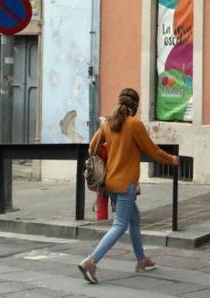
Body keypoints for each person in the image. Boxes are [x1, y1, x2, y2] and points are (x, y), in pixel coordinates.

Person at [77, 88, 179, 284]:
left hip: (110, 182)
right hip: (126, 184)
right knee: (119, 225)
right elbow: (152, 150)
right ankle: (91, 261)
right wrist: (171, 159)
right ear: (136, 106)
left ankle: (142, 260)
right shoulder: (134, 125)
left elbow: (92, 147)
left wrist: (111, 149)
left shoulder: (108, 123)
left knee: (134, 219)